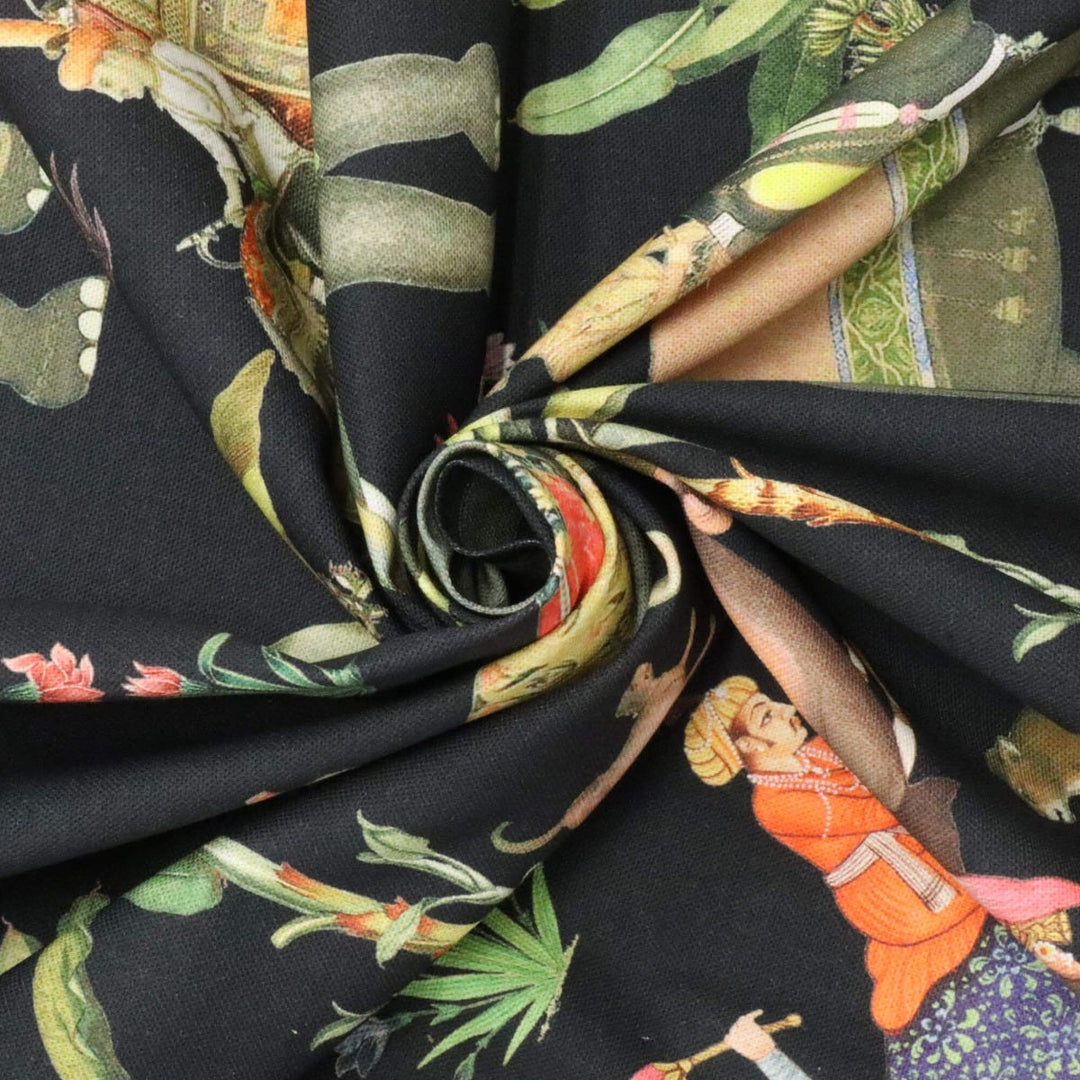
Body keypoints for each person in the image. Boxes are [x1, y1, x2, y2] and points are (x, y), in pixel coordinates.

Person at [686, 676, 1080, 1073]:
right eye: (766, 715)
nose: (787, 710)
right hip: (899, 897)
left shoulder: (818, 751)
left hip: (930, 858)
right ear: (749, 746)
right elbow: (879, 806)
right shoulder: (773, 805)